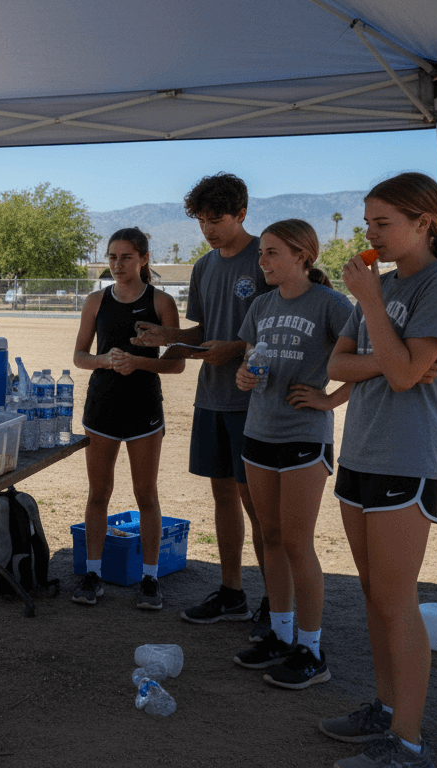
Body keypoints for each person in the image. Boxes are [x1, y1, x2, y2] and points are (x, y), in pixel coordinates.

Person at [320, 173, 437, 768]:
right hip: (362, 449)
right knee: (374, 596)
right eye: (367, 224)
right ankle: (385, 710)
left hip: (409, 456)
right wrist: (391, 358)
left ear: (423, 223)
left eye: (382, 223)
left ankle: (408, 743)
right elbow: (339, 363)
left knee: (396, 597)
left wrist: (376, 319)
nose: (370, 235)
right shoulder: (383, 287)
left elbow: (409, 375)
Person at [133, 172, 275, 634]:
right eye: (201, 221)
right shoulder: (203, 266)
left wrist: (234, 349)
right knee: (223, 497)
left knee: (259, 505)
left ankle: (277, 603)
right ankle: (232, 591)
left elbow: (274, 331)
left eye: (217, 220)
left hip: (254, 401)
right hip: (212, 398)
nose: (209, 229)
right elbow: (203, 332)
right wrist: (169, 336)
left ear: (242, 213)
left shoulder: (266, 259)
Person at [228, 220, 352, 691]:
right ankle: (280, 635)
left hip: (304, 435)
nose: (262, 262)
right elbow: (249, 358)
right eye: (262, 253)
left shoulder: (332, 304)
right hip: (258, 432)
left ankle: (311, 649)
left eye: (271, 253)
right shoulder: (260, 305)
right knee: (271, 536)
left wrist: (330, 399)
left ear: (302, 255)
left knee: (299, 544)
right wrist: (244, 376)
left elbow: (371, 359)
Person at [70, 228, 184, 609]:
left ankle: (149, 579)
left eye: (127, 258)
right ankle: (93, 573)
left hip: (144, 409)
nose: (118, 265)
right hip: (101, 409)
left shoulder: (163, 302)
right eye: (113, 257)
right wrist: (105, 360)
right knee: (98, 494)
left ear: (144, 259)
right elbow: (80, 356)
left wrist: (137, 363)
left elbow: (177, 363)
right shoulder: (95, 301)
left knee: (145, 494)